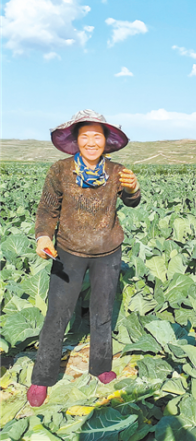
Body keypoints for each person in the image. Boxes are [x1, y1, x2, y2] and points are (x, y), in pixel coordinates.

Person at [27, 109, 141, 407]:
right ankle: (42, 377)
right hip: (68, 251)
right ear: (76, 140)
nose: (92, 142)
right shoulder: (60, 170)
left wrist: (133, 189)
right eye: (85, 136)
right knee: (57, 313)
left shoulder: (117, 171)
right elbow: (47, 210)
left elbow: (132, 201)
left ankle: (101, 366)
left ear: (106, 140)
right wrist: (43, 237)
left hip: (108, 252)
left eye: (97, 136)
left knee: (103, 311)